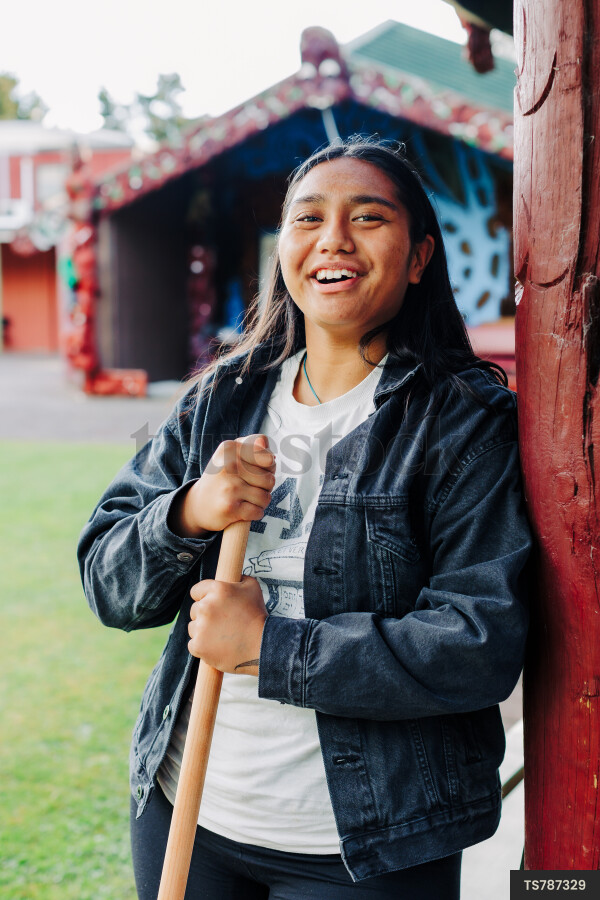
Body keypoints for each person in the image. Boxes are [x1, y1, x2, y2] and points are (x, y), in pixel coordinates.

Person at [78, 136, 531, 900]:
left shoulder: (467, 422)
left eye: (367, 217)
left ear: (420, 256)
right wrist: (189, 511)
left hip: (367, 847)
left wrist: (269, 646)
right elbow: (107, 582)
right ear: (284, 246)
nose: (334, 240)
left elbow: (477, 642)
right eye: (308, 217)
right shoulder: (220, 397)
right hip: (188, 806)